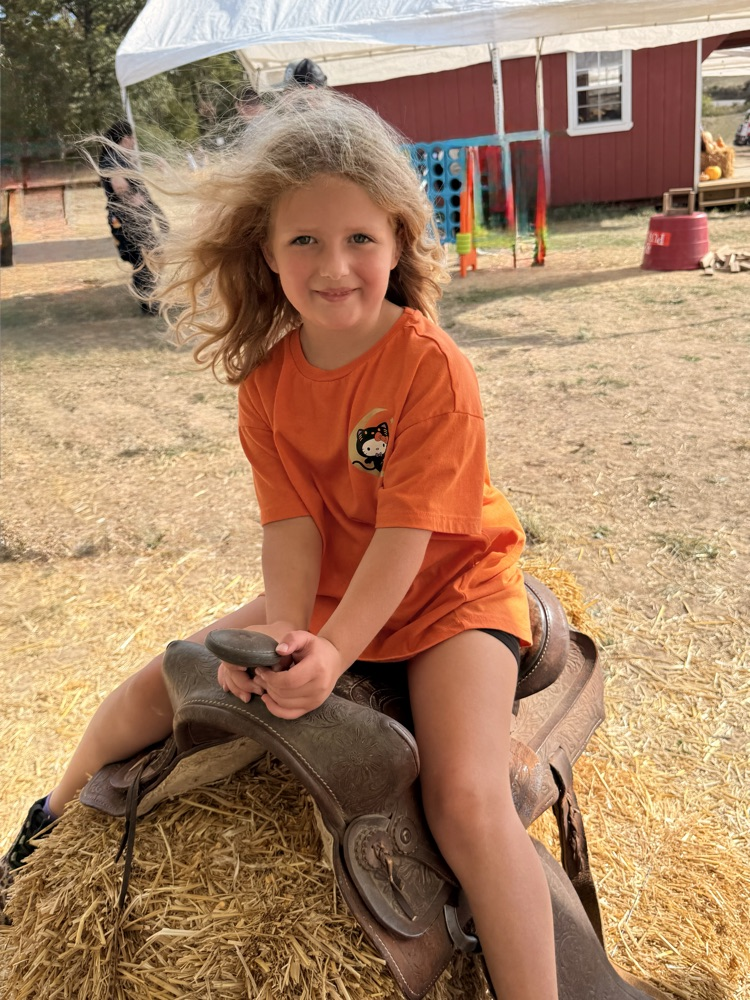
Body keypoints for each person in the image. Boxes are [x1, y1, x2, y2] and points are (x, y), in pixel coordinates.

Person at [0, 90, 558, 999]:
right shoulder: (267, 386)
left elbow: (405, 540)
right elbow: (293, 532)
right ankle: (37, 836)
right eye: (304, 241)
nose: (333, 265)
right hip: (338, 588)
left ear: (398, 242)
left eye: (358, 240)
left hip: (450, 591)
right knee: (155, 684)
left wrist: (333, 653)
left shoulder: (431, 369)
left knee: (464, 799)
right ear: (265, 251)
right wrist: (289, 639)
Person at [98, 120, 168, 315]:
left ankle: (150, 301)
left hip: (135, 218)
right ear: (125, 138)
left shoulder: (119, 157)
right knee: (143, 260)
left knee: (149, 258)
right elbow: (119, 186)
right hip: (128, 219)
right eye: (132, 137)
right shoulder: (112, 160)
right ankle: (149, 305)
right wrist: (134, 200)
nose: (134, 142)